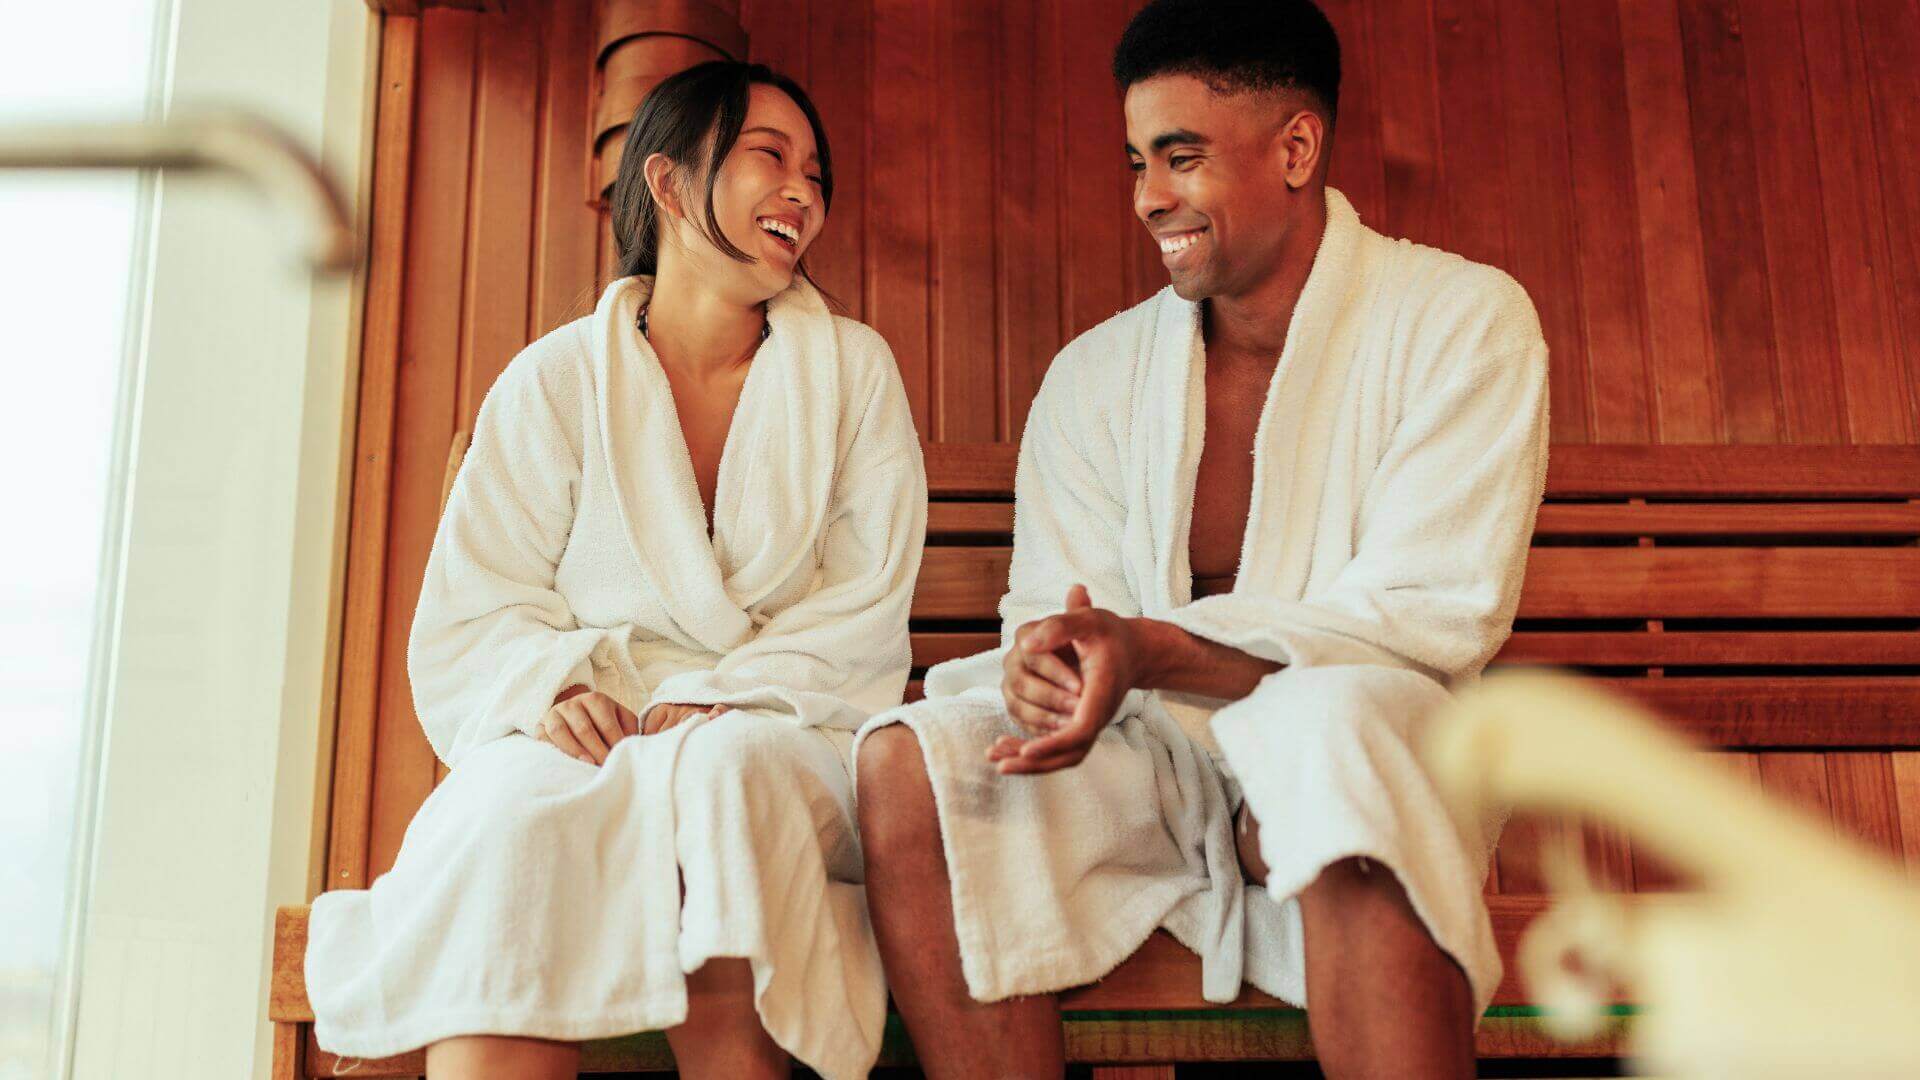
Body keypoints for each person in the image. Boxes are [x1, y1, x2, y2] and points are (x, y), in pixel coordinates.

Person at [854, 1, 1548, 1076]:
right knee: (913, 764)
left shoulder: (1462, 322)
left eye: (1181, 158)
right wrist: (1057, 666)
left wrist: (1156, 650)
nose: (1148, 198)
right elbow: (1050, 606)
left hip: (1371, 741)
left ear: (1297, 148)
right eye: (1137, 160)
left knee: (1334, 727)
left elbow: (1430, 620)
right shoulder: (1094, 376)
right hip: (1153, 757)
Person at [305, 61, 925, 1080]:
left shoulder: (853, 371)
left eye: (816, 172)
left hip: (780, 721)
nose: (803, 193)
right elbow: (478, 608)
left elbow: (864, 601)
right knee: (506, 823)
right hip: (592, 721)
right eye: (770, 156)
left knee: (726, 786)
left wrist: (719, 698)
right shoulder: (555, 382)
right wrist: (553, 689)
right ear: (671, 186)